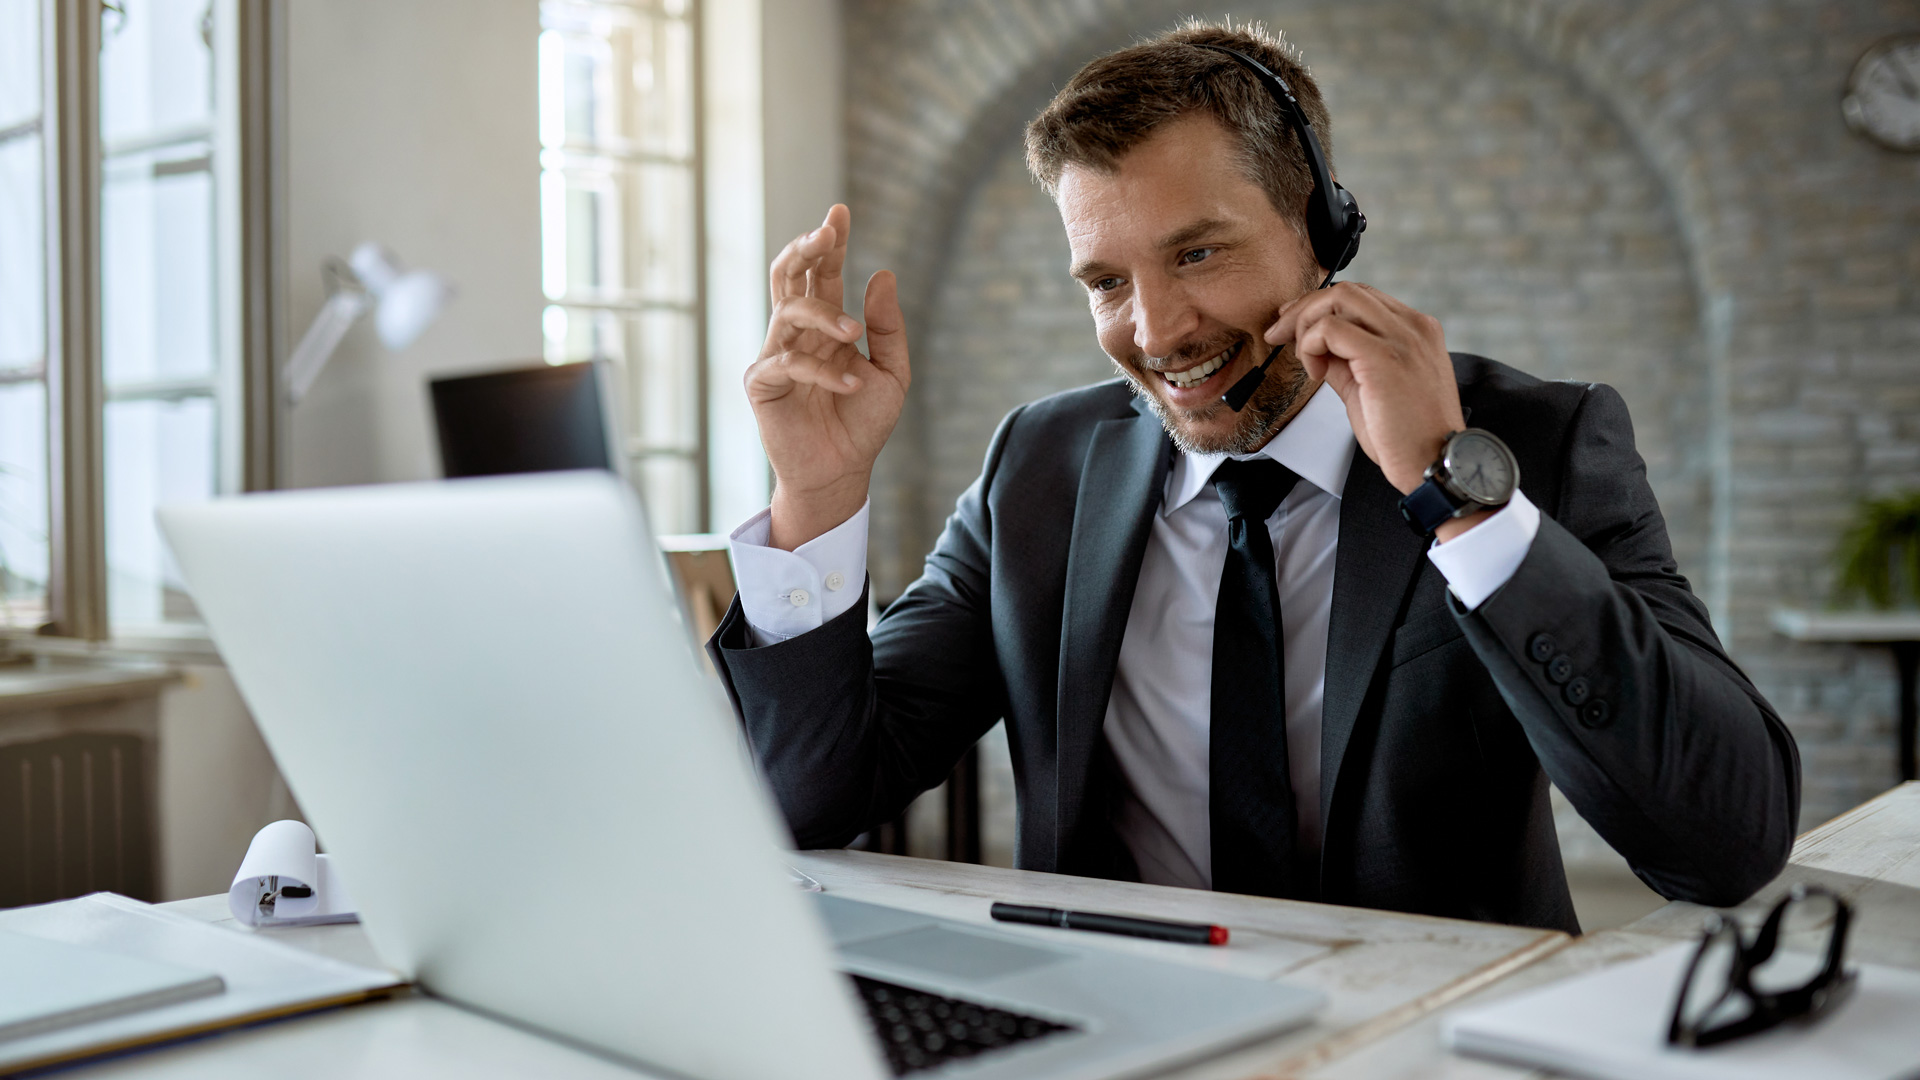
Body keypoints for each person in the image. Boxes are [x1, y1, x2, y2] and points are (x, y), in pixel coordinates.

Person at [705, 21, 1800, 932]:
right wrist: (818, 498)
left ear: (1324, 229)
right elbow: (814, 800)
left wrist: (1454, 496)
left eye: (1197, 254)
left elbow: (1723, 841)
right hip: (1116, 1026)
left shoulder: (1528, 444)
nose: (1156, 329)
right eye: (1104, 280)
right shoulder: (1037, 468)